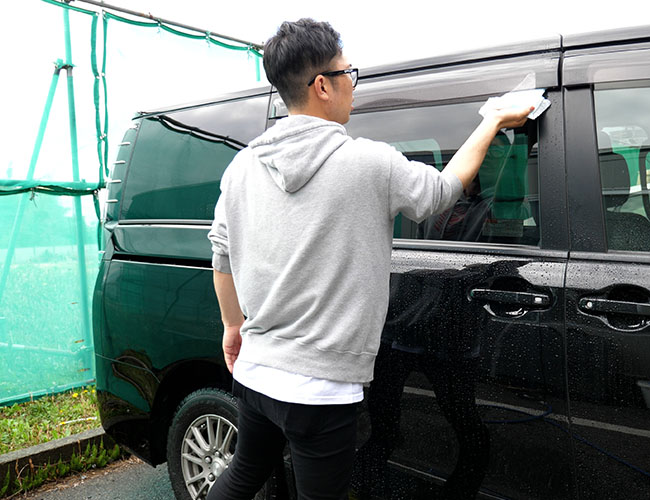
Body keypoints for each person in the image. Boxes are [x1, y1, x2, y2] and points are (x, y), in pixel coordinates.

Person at [206, 18, 534, 500]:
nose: (353, 85)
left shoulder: (241, 166)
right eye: (348, 73)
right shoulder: (368, 162)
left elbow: (221, 255)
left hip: (256, 372)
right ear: (322, 86)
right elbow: (442, 191)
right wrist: (493, 121)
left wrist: (232, 327)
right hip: (318, 390)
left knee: (241, 476)